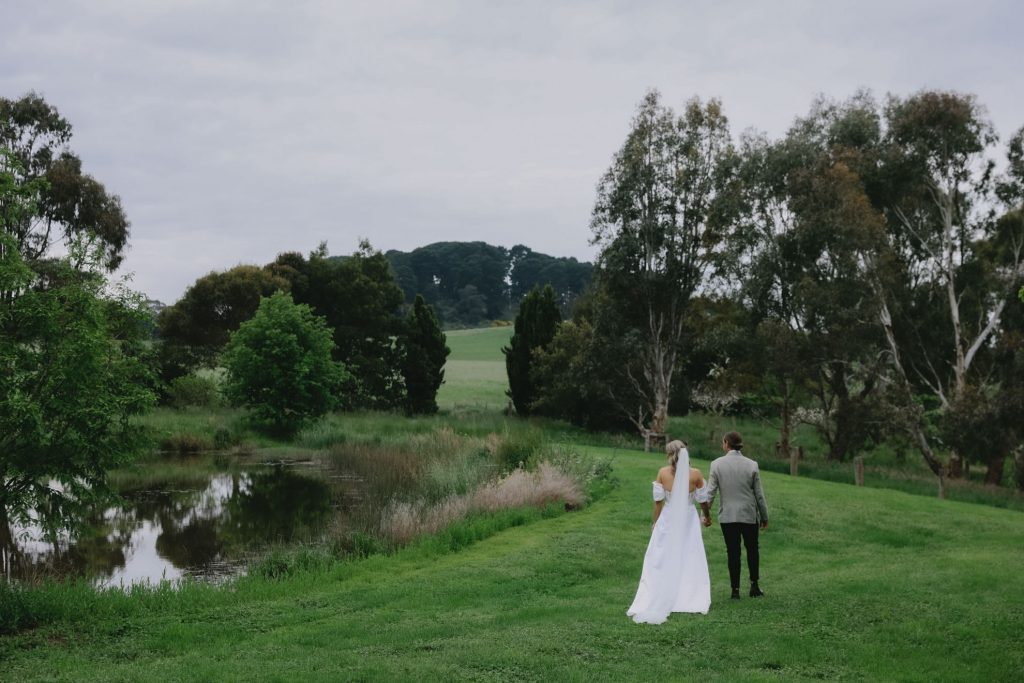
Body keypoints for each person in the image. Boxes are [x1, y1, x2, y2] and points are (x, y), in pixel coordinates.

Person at [627, 440, 712, 624]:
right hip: (688, 519)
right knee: (689, 553)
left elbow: (658, 503)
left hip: (668, 518)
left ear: (668, 454)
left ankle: (661, 590)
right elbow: (702, 500)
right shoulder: (695, 474)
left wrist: (655, 523)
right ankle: (689, 595)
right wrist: (707, 516)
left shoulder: (663, 473)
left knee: (662, 555)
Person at [705, 431, 769, 600]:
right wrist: (764, 516)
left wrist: (706, 514)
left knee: (733, 552)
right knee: (752, 549)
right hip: (748, 514)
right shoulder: (752, 464)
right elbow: (759, 494)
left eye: (722, 442)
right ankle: (754, 586)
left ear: (726, 443)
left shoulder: (716, 464)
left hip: (728, 515)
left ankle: (735, 590)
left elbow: (710, 493)